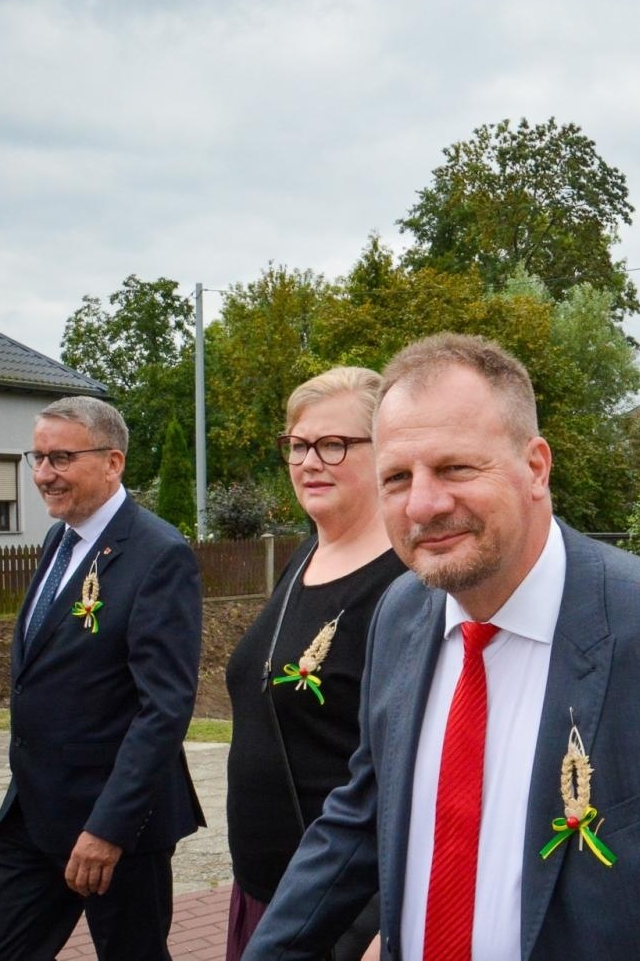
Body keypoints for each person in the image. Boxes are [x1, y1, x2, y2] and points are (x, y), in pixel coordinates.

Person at [244, 334, 640, 960]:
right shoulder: (399, 616)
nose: (423, 504)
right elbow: (360, 816)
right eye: (397, 478)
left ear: (536, 467)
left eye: (456, 467)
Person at [0, 397, 204, 961]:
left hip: (115, 829)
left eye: (61, 458)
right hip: (32, 815)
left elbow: (164, 708)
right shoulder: (60, 541)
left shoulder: (159, 554)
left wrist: (108, 828)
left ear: (113, 462)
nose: (42, 474)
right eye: (37, 457)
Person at [224, 367, 404, 961]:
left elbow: (410, 767)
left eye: (334, 444)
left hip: (340, 912)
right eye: (298, 446)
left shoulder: (406, 586)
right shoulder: (308, 553)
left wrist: (378, 920)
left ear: (387, 449)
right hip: (266, 889)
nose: (309, 462)